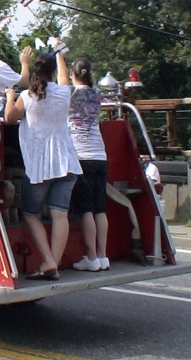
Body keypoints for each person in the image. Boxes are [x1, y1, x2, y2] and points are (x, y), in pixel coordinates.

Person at [4, 47, 82, 281]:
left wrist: (10, 96)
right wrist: (59, 50)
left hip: (38, 165)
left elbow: (9, 118)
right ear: (53, 71)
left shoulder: (28, 96)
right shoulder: (64, 92)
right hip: (66, 161)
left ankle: (48, 261)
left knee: (31, 214)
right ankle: (53, 263)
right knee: (61, 215)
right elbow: (64, 76)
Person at [68, 57, 109, 272]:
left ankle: (91, 256)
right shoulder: (96, 93)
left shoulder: (71, 94)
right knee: (100, 209)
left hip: (81, 155)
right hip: (99, 154)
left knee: (86, 210)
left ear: (72, 74)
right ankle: (103, 255)